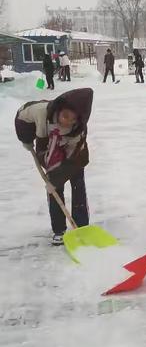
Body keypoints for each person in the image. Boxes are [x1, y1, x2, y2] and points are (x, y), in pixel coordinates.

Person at [15, 88, 93, 246]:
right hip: (45, 139)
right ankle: (59, 229)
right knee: (54, 187)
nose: (68, 121)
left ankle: (81, 226)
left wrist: (58, 177)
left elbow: (75, 159)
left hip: (73, 151)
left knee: (77, 180)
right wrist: (26, 140)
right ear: (59, 109)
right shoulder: (42, 115)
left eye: (73, 119)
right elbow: (43, 154)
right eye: (65, 116)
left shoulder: (78, 130)